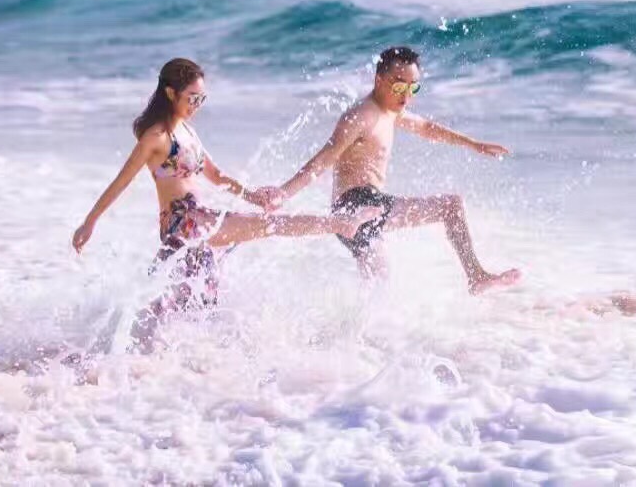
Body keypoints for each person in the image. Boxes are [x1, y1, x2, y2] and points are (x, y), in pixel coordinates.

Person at [72, 58, 381, 349]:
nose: (197, 105)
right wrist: (90, 222)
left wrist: (253, 197)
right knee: (269, 227)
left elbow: (216, 175)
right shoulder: (157, 137)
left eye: (201, 99)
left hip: (199, 222)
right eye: (192, 97)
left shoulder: (187, 131)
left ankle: (142, 353)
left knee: (190, 303)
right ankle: (342, 224)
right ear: (170, 93)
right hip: (184, 223)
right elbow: (121, 181)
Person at [263, 46, 521, 294]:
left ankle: (475, 278)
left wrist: (473, 144)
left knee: (379, 288)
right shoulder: (361, 117)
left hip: (364, 209)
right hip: (356, 206)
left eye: (413, 87)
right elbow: (323, 159)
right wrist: (283, 193)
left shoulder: (390, 111)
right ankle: (475, 277)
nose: (406, 96)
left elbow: (426, 128)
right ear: (379, 80)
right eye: (399, 86)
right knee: (448, 209)